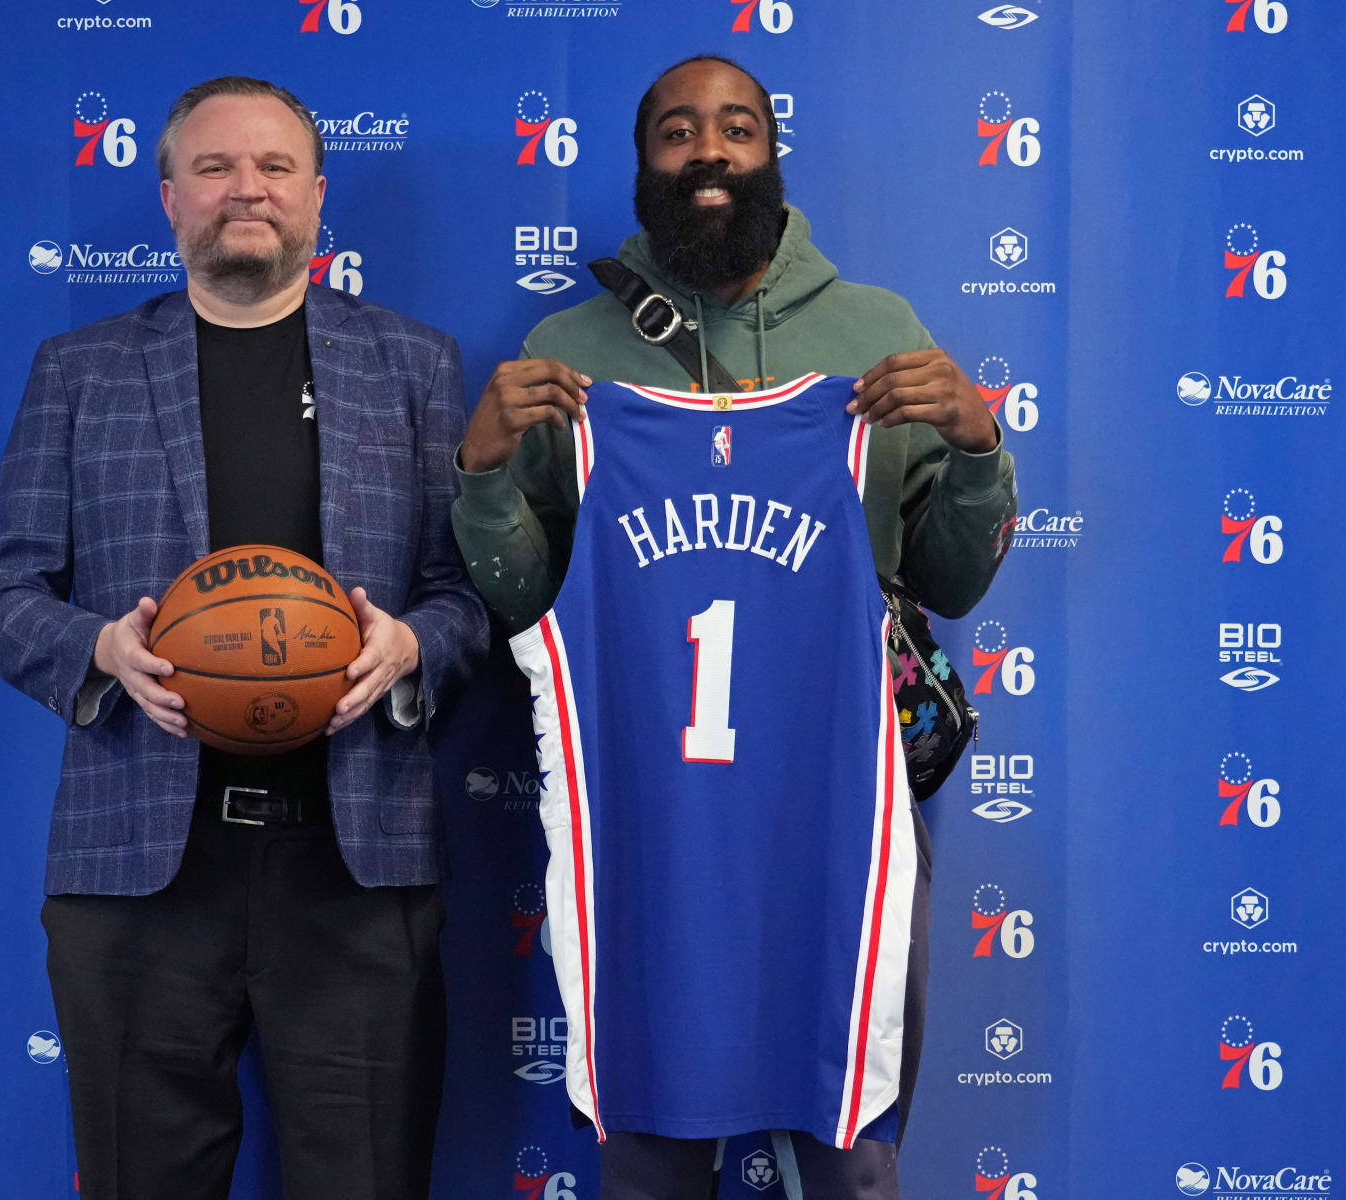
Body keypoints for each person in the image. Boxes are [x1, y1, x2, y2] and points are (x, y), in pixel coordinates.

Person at [451, 55, 1017, 1200]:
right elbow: (527, 607)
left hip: (838, 802)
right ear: (643, 163)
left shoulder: (876, 331)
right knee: (653, 1145)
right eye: (676, 132)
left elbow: (951, 587)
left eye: (737, 129)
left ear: (771, 153)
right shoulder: (570, 350)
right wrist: (482, 476)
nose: (708, 151)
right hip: (650, 816)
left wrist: (976, 447)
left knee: (851, 1142)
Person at [0, 75, 487, 1200]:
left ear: (316, 196)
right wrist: (96, 652)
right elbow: (1, 591)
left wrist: (411, 647)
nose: (245, 189)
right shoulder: (82, 371)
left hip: (355, 864)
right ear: (168, 200)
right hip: (140, 867)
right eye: (213, 168)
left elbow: (468, 593)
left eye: (273, 168)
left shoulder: (415, 365)